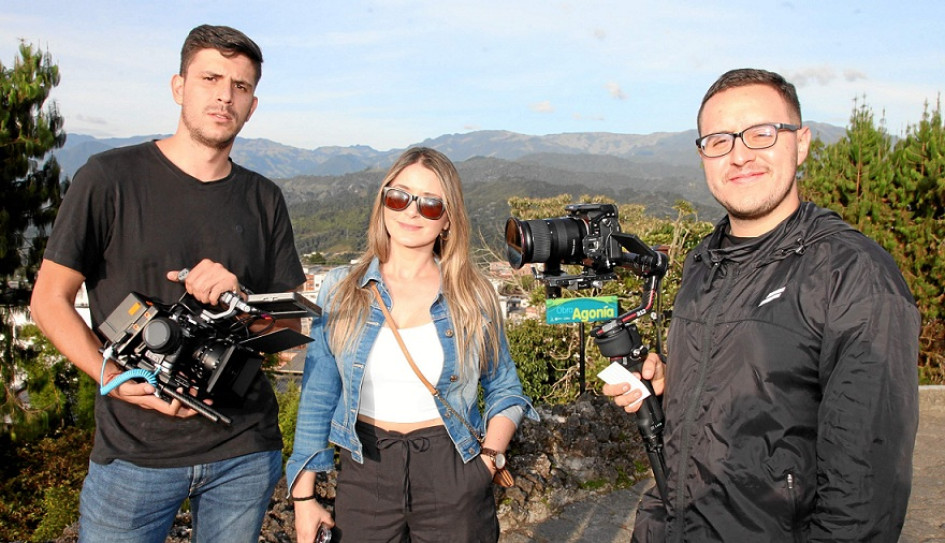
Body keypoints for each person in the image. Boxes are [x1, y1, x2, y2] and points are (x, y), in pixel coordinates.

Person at [604, 68, 920, 542]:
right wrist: (672, 386)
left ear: (802, 142)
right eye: (719, 140)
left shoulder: (852, 274)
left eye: (761, 133)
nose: (740, 154)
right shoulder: (703, 260)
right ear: (702, 154)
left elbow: (864, 490)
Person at [29, 25, 305, 543]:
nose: (225, 95)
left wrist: (237, 298)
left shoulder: (264, 198)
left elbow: (288, 326)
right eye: (210, 78)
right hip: (133, 455)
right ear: (179, 87)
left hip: (243, 450)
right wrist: (110, 374)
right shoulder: (108, 179)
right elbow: (48, 300)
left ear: (253, 105)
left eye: (240, 87)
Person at [286, 147, 538, 543]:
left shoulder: (472, 295)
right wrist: (304, 497)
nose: (411, 212)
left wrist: (488, 461)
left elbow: (506, 388)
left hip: (452, 466)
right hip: (365, 469)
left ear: (449, 220)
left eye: (431, 204)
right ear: (383, 202)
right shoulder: (340, 289)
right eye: (399, 196)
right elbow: (317, 395)